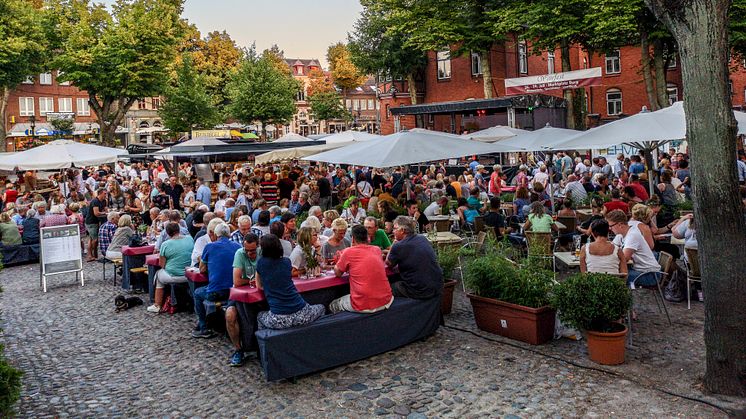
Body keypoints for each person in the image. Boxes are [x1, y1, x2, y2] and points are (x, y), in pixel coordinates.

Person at [255, 234, 326, 329]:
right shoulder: (286, 262)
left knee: (260, 316)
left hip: (278, 318)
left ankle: (264, 341)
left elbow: (259, 286)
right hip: (303, 313)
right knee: (322, 307)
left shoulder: (261, 263)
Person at [330, 225, 394, 313]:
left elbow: (338, 273)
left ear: (352, 239)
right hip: (386, 300)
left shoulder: (348, 252)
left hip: (363, 304)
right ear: (367, 237)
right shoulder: (377, 249)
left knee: (333, 304)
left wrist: (339, 261)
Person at [193, 223, 241, 338]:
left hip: (217, 292)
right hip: (234, 289)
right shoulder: (238, 246)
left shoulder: (210, 247)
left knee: (197, 293)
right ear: (229, 234)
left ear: (215, 234)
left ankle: (204, 327)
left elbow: (202, 269)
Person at [224, 233, 260, 367]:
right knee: (230, 315)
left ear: (258, 246)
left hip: (259, 294)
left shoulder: (262, 252)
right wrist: (254, 280)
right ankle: (238, 349)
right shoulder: (240, 253)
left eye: (253, 251)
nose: (250, 254)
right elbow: (237, 281)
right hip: (239, 295)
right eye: (247, 250)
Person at [386, 216, 442, 299]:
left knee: (389, 287)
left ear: (402, 231)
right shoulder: (422, 238)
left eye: (395, 229)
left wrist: (394, 243)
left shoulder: (398, 245)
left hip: (420, 291)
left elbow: (388, 263)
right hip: (437, 285)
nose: (393, 231)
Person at [146, 222, 195, 312]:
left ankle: (157, 304)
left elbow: (162, 264)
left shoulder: (165, 244)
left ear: (167, 233)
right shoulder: (189, 239)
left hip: (174, 275)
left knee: (158, 275)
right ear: (179, 230)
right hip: (189, 273)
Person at [607, 210, 660, 286]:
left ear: (620, 224)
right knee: (611, 273)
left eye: (611, 226)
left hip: (650, 275)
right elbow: (611, 248)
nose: (609, 228)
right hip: (639, 270)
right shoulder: (621, 234)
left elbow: (624, 259)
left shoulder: (633, 235)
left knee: (611, 277)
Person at [85, 188, 108, 261]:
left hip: (96, 221)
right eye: (104, 193)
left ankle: (94, 255)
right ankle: (90, 255)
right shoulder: (95, 201)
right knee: (94, 239)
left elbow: (105, 209)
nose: (106, 195)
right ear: (100, 193)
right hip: (91, 222)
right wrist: (104, 213)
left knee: (92, 238)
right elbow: (96, 213)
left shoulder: (104, 201)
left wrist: (106, 211)